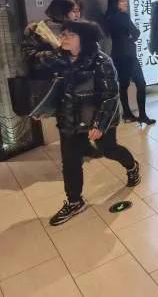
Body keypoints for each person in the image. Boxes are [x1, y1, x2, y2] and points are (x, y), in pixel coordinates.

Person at [49, 20, 141, 226]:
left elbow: (109, 96)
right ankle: (74, 201)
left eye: (70, 35)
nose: (64, 39)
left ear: (85, 39)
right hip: (70, 120)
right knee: (70, 162)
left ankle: (132, 166)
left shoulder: (101, 61)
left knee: (109, 150)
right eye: (63, 35)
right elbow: (54, 92)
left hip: (99, 119)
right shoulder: (59, 60)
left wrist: (99, 124)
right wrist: (43, 110)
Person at [23, 0, 102, 158]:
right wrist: (58, 53)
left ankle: (84, 145)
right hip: (55, 82)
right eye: (74, 11)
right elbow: (30, 57)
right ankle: (72, 157)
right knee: (65, 120)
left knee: (82, 116)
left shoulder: (79, 28)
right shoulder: (37, 29)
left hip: (81, 81)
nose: (77, 15)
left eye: (79, 11)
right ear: (61, 11)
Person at [104, 0, 155, 124]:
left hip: (116, 54)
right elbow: (136, 32)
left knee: (123, 85)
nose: (125, 2)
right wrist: (131, 37)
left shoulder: (108, 17)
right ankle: (142, 115)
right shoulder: (122, 16)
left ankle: (127, 114)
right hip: (128, 54)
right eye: (121, 0)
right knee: (141, 84)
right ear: (115, 3)